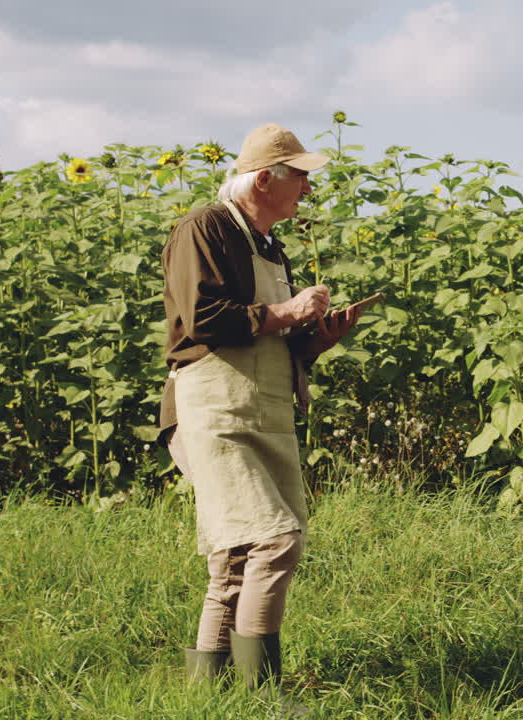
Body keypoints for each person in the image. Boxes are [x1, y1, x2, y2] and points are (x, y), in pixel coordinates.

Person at [158, 122, 360, 691]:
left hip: (266, 407)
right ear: (264, 177)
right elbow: (203, 321)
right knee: (274, 541)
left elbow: (269, 339)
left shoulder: (268, 243)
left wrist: (317, 337)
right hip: (215, 409)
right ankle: (262, 695)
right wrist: (289, 312)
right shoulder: (204, 228)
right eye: (300, 176)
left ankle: (210, 695)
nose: (308, 189)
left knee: (236, 557)